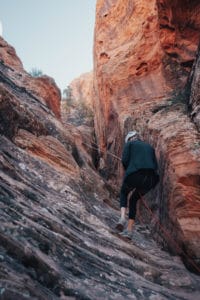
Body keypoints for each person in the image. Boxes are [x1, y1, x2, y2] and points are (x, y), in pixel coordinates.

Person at [116, 130, 159, 239]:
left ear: (129, 139)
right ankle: (129, 231)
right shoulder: (150, 147)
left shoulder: (129, 144)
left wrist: (129, 169)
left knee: (124, 192)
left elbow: (125, 160)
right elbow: (155, 165)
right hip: (150, 180)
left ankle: (122, 218)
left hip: (135, 175)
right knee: (133, 200)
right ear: (137, 137)